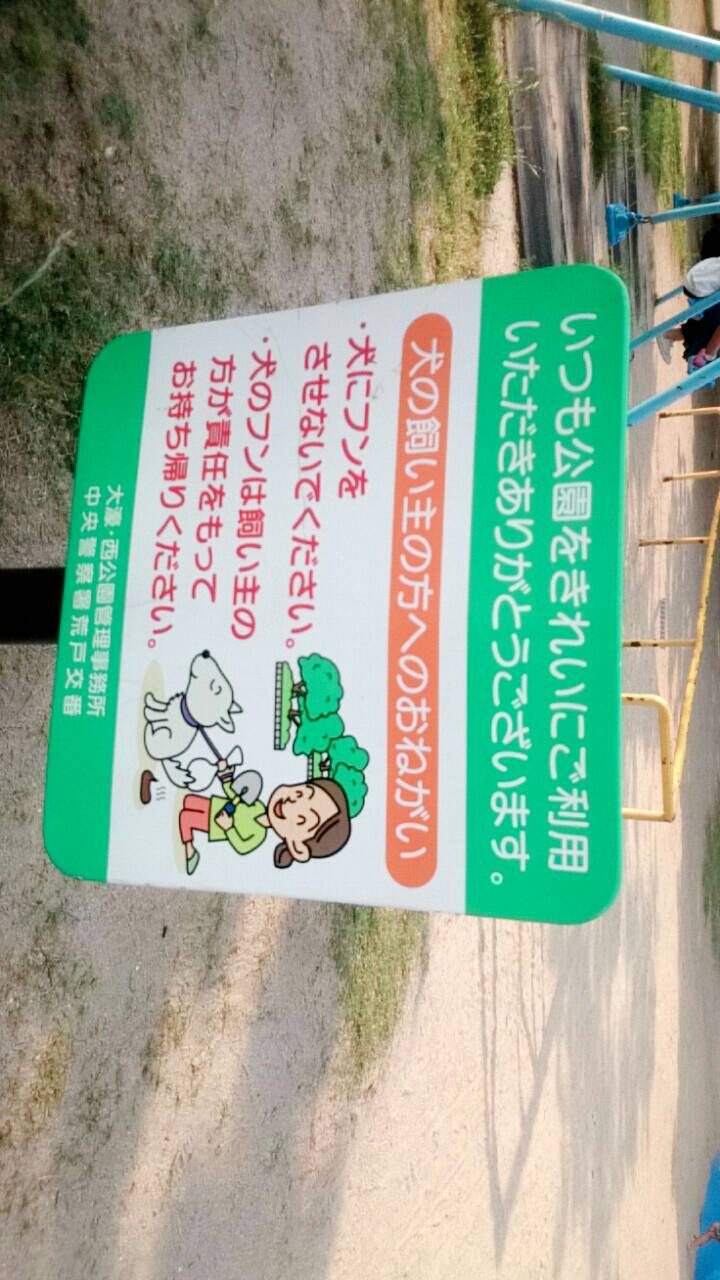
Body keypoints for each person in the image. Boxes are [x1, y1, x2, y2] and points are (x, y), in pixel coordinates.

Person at [178, 761, 351, 876]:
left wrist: (228, 828)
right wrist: (225, 777)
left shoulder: (259, 835)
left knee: (186, 818)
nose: (291, 802)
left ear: (297, 848)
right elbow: (235, 795)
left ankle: (190, 851)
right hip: (216, 805)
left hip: (215, 824)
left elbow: (242, 847)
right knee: (188, 800)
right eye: (299, 793)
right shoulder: (258, 806)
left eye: (301, 819)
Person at [657, 227, 720, 368]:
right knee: (711, 333)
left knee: (712, 326)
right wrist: (710, 353)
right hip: (699, 288)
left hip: (698, 275)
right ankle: (671, 337)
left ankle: (671, 335)